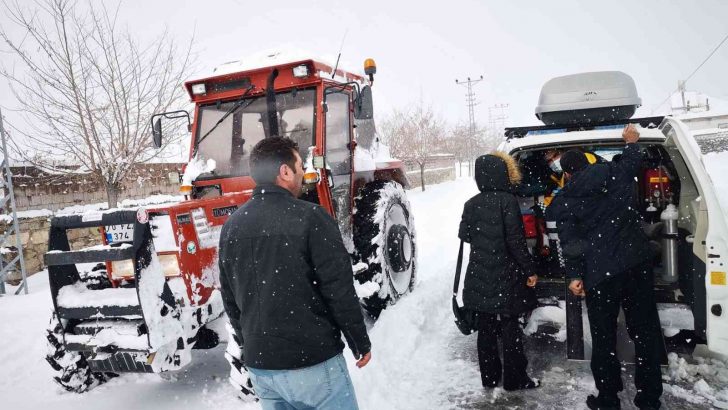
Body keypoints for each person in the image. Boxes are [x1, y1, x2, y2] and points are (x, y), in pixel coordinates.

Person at [218, 136, 371, 410]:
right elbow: (338, 289)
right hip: (312, 362)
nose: (303, 172)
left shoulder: (231, 227)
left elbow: (230, 299)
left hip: (262, 369)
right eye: (300, 165)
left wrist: (250, 345)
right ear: (285, 172)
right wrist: (359, 340)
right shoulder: (312, 217)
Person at [547, 124, 663, 410]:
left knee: (604, 337)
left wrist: (574, 275)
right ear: (590, 161)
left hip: (600, 275)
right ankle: (649, 398)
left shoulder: (564, 200)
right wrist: (631, 141)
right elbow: (633, 161)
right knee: (645, 333)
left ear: (567, 173)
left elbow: (570, 243)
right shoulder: (615, 174)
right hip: (636, 265)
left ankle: (608, 398)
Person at [458, 151, 541, 391]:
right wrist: (530, 270)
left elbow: (465, 235)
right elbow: (516, 241)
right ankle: (515, 379)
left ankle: (490, 378)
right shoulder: (507, 201)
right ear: (502, 174)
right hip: (506, 275)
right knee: (509, 327)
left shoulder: (471, 203)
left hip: (479, 274)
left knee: (485, 330)